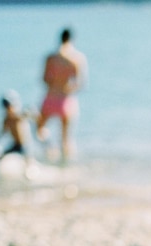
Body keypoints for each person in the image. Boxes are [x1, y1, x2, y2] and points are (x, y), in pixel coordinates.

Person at [37, 28, 88, 161]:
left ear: (60, 38)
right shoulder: (77, 58)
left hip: (50, 97)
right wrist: (67, 89)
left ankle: (50, 149)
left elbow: (44, 79)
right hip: (66, 100)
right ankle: (67, 167)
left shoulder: (51, 57)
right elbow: (80, 83)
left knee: (40, 130)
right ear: (72, 39)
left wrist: (54, 85)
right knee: (66, 139)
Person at [0, 90, 32, 160]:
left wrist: (29, 112)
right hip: (16, 145)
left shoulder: (17, 115)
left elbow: (27, 115)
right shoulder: (7, 120)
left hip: (25, 145)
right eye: (6, 107)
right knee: (2, 156)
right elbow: (1, 133)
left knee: (27, 161)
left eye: (8, 106)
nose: (7, 109)